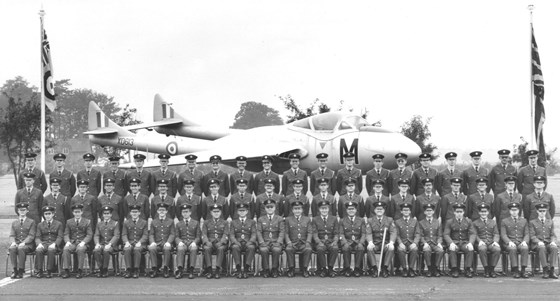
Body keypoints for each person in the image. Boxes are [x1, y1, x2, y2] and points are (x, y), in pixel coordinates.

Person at [443, 203, 475, 278]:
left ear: (463, 212)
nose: (459, 214)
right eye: (457, 212)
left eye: (461, 212)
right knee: (452, 249)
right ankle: (454, 269)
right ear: (454, 212)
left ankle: (467, 269)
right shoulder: (450, 221)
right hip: (455, 242)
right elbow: (446, 234)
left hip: (464, 242)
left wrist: (470, 243)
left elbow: (472, 233)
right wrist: (451, 243)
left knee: (470, 249)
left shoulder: (468, 221)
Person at [366, 201, 396, 278]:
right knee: (369, 248)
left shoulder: (389, 220)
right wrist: (370, 242)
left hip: (385, 243)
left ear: (384, 210)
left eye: (381, 209)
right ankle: (374, 268)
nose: (379, 211)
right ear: (374, 210)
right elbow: (368, 233)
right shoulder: (370, 220)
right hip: (375, 244)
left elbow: (393, 232)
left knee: (391, 248)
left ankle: (385, 268)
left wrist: (391, 242)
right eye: (377, 209)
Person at [62, 204, 93, 279]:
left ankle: (80, 270)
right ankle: (67, 270)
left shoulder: (87, 221)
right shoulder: (69, 222)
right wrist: (67, 241)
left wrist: (83, 242)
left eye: (78, 212)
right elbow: (66, 233)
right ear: (73, 213)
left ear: (82, 212)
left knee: (80, 249)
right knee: (66, 249)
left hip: (82, 242)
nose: (77, 214)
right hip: (72, 242)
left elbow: (89, 234)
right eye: (75, 212)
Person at [256, 199, 284, 278]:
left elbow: (282, 231)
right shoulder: (261, 219)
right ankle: (266, 269)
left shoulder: (279, 219)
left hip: (276, 241)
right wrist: (261, 242)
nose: (270, 209)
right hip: (265, 242)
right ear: (265, 209)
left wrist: (279, 242)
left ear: (275, 208)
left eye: (271, 207)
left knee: (276, 250)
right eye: (268, 207)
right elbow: (259, 232)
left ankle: (275, 269)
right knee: (264, 250)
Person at [500, 202, 529, 278]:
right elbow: (503, 234)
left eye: (515, 210)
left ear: (518, 211)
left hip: (520, 242)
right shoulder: (504, 221)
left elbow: (527, 234)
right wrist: (509, 242)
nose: (514, 212)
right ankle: (515, 270)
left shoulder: (524, 221)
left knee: (525, 248)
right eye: (512, 210)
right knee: (512, 249)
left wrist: (525, 241)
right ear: (509, 211)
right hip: (509, 243)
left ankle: (523, 270)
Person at [529, 203, 558, 279]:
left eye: (544, 211)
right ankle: (545, 270)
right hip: (537, 244)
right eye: (540, 211)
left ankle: (551, 270)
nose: (542, 213)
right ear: (537, 212)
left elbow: (552, 234)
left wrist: (553, 241)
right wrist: (538, 242)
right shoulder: (532, 222)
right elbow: (532, 236)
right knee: (542, 248)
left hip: (548, 242)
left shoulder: (550, 221)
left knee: (554, 248)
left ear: (546, 212)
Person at [284, 201, 313, 278]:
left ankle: (304, 269)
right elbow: (286, 233)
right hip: (293, 243)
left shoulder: (307, 219)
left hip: (303, 243)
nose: (297, 211)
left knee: (308, 249)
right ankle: (291, 269)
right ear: (292, 210)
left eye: (299, 209)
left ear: (302, 210)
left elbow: (310, 232)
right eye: (295, 209)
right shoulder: (288, 219)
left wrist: (308, 241)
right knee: (288, 249)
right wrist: (288, 242)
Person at [9, 203, 36, 279]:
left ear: (27, 211)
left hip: (28, 245)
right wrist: (13, 242)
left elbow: (31, 235)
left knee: (21, 248)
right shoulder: (14, 222)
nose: (22, 212)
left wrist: (24, 242)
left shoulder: (31, 222)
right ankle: (14, 270)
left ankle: (21, 270)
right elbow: (12, 235)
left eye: (24, 210)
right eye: (20, 210)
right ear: (18, 211)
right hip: (17, 243)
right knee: (12, 248)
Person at [472, 203, 500, 278]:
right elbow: (474, 234)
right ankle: (486, 269)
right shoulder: (475, 223)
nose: (483, 213)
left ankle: (492, 269)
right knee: (482, 249)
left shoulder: (493, 222)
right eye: (481, 212)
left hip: (491, 242)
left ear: (488, 212)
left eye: (485, 212)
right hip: (481, 242)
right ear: (479, 213)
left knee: (497, 249)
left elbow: (496, 233)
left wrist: (495, 241)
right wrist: (479, 241)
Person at [35, 205, 63, 278]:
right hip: (44, 243)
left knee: (51, 250)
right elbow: (37, 236)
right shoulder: (40, 225)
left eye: (49, 214)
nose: (47, 216)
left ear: (53, 214)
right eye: (46, 214)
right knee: (39, 250)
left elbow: (60, 236)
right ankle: (39, 270)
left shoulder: (58, 224)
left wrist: (55, 244)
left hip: (53, 244)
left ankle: (49, 271)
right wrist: (39, 244)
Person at [201, 204, 229, 279]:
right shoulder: (206, 222)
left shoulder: (225, 222)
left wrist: (221, 242)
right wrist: (207, 242)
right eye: (214, 212)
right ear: (211, 213)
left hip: (220, 243)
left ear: (220, 212)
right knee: (206, 248)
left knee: (221, 249)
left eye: (218, 212)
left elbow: (226, 234)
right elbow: (204, 234)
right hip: (210, 242)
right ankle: (209, 270)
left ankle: (217, 270)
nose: (216, 213)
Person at [230, 203, 257, 279]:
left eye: (243, 211)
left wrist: (250, 242)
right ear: (237, 212)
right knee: (235, 247)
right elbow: (231, 235)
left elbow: (254, 234)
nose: (242, 212)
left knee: (251, 247)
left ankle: (246, 269)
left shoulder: (252, 222)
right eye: (240, 211)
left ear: (247, 212)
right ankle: (238, 269)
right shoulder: (233, 222)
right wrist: (235, 242)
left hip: (248, 242)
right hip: (237, 242)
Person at [312, 200, 339, 277]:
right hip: (320, 241)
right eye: (322, 209)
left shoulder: (334, 218)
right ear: (319, 209)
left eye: (326, 208)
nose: (324, 210)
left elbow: (336, 232)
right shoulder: (315, 219)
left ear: (328, 209)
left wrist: (335, 241)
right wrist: (318, 242)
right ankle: (323, 269)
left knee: (335, 248)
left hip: (331, 241)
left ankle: (330, 269)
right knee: (320, 249)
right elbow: (315, 233)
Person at [339, 201, 366, 277]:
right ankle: (347, 268)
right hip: (348, 241)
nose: (351, 211)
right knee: (346, 247)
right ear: (346, 210)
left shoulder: (361, 220)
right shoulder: (342, 220)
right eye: (349, 209)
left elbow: (364, 233)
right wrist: (344, 242)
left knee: (360, 247)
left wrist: (361, 242)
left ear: (356, 210)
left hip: (357, 241)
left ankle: (357, 269)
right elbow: (341, 233)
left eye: (352, 209)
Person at [148, 203, 175, 278]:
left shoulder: (171, 221)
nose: (162, 211)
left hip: (166, 243)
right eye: (160, 210)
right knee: (151, 248)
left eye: (163, 210)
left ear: (166, 211)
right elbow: (151, 234)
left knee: (167, 249)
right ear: (157, 211)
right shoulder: (154, 221)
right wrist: (152, 242)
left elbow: (172, 234)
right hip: (157, 243)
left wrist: (169, 242)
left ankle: (166, 268)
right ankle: (154, 268)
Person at [174, 204, 201, 279]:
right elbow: (176, 236)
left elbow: (198, 236)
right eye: (183, 212)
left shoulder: (196, 223)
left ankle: (191, 270)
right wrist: (179, 242)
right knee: (180, 248)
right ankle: (180, 270)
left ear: (190, 213)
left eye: (186, 212)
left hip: (192, 242)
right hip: (183, 243)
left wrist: (195, 242)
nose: (185, 214)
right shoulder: (178, 224)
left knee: (193, 249)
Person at [122, 204, 149, 279]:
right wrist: (126, 242)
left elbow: (145, 235)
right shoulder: (126, 222)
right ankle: (128, 269)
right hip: (130, 243)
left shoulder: (144, 222)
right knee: (127, 249)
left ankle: (136, 270)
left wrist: (140, 242)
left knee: (137, 249)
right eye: (133, 212)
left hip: (140, 244)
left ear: (139, 213)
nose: (134, 214)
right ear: (130, 213)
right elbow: (124, 234)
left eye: (136, 212)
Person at [417, 204, 444, 277]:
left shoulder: (437, 222)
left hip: (435, 243)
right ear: (424, 212)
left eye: (430, 211)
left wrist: (439, 243)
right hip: (426, 243)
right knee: (426, 250)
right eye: (427, 211)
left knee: (440, 251)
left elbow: (440, 235)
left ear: (433, 212)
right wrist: (424, 243)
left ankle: (435, 268)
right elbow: (421, 235)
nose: (429, 212)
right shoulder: (421, 222)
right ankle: (429, 269)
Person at [93, 206, 120, 278]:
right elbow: (96, 235)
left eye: (108, 213)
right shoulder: (99, 224)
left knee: (106, 250)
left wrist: (110, 244)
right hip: (102, 244)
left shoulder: (115, 223)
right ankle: (100, 268)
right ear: (102, 215)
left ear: (111, 215)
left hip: (111, 245)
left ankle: (105, 269)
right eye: (104, 214)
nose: (106, 215)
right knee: (96, 250)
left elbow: (116, 236)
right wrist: (97, 244)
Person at [394, 203, 419, 277]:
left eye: (407, 210)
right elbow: (397, 234)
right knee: (400, 250)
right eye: (404, 210)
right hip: (402, 242)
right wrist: (400, 243)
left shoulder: (414, 221)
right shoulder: (397, 222)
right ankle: (404, 268)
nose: (406, 212)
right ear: (401, 211)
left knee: (415, 249)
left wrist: (415, 243)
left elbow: (417, 234)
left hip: (411, 242)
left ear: (410, 211)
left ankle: (411, 269)